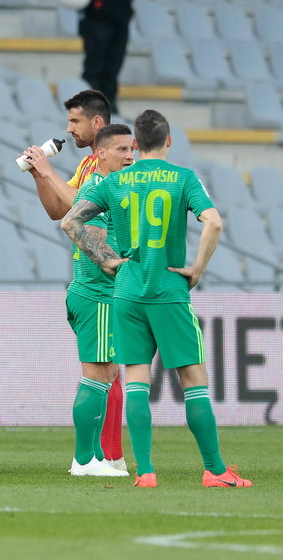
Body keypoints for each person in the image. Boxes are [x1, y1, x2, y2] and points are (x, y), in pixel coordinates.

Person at [61, 109, 252, 488]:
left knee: (135, 380)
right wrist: (197, 269)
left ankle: (145, 471)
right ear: (168, 141)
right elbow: (213, 222)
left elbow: (70, 221)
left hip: (127, 290)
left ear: (136, 144)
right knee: (193, 380)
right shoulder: (183, 178)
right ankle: (214, 470)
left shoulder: (116, 180)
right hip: (167, 288)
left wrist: (108, 260)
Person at [22, 89, 125, 469]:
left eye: (74, 121)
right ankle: (91, 458)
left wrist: (48, 172)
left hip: (98, 282)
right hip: (96, 283)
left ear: (97, 124)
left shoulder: (106, 168)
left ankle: (107, 454)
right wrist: (40, 177)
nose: (68, 129)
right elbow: (60, 211)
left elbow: (75, 205)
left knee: (109, 372)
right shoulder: (89, 167)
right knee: (101, 374)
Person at [65, 124, 134, 477]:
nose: (129, 155)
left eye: (131, 149)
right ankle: (83, 461)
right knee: (97, 375)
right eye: (121, 149)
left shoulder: (116, 188)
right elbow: (73, 225)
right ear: (100, 154)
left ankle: (94, 457)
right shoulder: (98, 188)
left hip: (98, 296)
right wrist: (110, 262)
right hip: (97, 296)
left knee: (106, 374)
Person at [78, 0, 133, 115]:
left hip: (121, 19)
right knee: (94, 67)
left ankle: (109, 105)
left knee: (113, 68)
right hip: (97, 17)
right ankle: (89, 106)